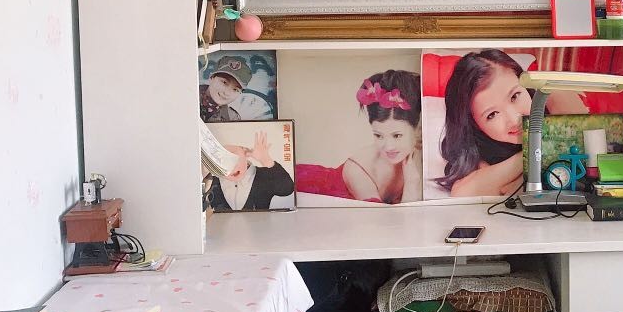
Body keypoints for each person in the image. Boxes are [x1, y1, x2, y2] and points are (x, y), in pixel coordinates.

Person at [436, 49, 583, 198]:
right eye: (492, 115)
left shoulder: (551, 95)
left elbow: (587, 148)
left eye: (515, 96)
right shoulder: (480, 149)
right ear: (475, 125)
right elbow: (462, 193)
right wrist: (535, 149)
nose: (514, 119)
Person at [294, 70, 423, 203]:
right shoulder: (358, 169)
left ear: (417, 130)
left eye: (397, 136)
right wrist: (412, 184)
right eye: (378, 136)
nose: (388, 147)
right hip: (299, 185)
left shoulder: (421, 154)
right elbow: (381, 216)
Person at [203, 128, 294, 212]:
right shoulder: (210, 181)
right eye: (219, 158)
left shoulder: (264, 176)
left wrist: (265, 160)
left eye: (232, 155)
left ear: (245, 151)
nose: (229, 165)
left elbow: (287, 189)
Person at [200, 56, 250, 122]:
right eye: (224, 82)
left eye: (235, 90)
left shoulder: (232, 117)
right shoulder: (188, 98)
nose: (226, 93)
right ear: (211, 78)